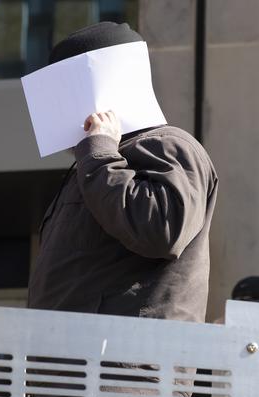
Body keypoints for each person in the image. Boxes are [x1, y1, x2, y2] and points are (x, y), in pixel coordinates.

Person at [28, 22, 218, 325]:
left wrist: (100, 154)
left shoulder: (169, 145)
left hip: (123, 363)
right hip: (67, 361)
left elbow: (162, 231)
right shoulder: (90, 164)